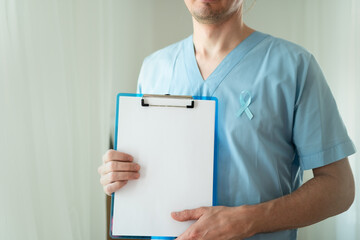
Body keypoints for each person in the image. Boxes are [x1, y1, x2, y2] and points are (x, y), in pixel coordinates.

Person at [97, 0, 356, 239]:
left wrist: (248, 220)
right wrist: (118, 175)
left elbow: (339, 188)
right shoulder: (153, 69)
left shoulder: (294, 67)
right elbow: (145, 181)